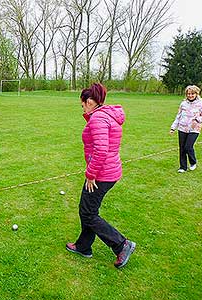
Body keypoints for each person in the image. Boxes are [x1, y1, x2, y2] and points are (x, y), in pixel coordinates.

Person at [66, 83, 135, 269]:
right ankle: (83, 246)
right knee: (86, 209)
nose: (82, 107)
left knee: (88, 213)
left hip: (102, 174)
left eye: (82, 104)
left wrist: (91, 174)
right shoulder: (106, 115)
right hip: (108, 171)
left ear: (89, 102)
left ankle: (121, 244)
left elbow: (101, 150)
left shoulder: (98, 118)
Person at [170, 85, 202, 173]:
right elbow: (178, 116)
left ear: (196, 94)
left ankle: (193, 162)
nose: (190, 95)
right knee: (182, 148)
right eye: (188, 94)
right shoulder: (183, 104)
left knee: (188, 146)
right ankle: (183, 167)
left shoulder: (201, 104)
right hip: (182, 128)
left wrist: (197, 119)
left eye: (192, 94)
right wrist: (173, 128)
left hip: (194, 129)